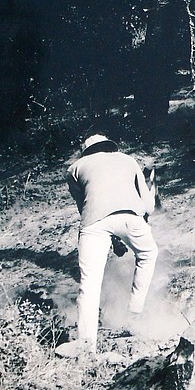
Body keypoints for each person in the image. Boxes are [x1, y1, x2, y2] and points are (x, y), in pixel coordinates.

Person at [57, 134, 158, 358]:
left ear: (86, 151)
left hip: (93, 223)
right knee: (149, 253)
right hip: (131, 218)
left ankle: (86, 344)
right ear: (110, 147)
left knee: (89, 283)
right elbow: (149, 207)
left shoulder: (74, 168)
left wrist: (112, 237)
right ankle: (135, 311)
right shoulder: (128, 160)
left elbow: (85, 205)